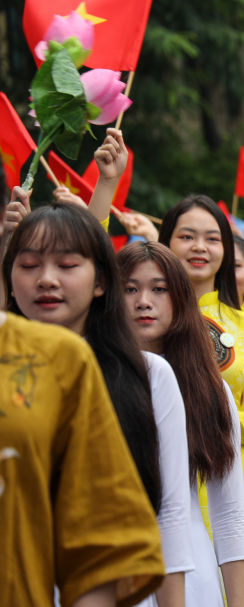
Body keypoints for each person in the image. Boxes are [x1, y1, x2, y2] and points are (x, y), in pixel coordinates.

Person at [4, 202, 190, 607]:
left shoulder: (150, 375)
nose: (46, 280)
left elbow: (172, 513)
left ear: (101, 281)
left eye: (67, 265)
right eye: (29, 264)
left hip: (120, 589)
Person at [159, 196, 244, 607]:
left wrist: (218, 418)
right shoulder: (138, 316)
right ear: (165, 242)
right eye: (187, 236)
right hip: (154, 473)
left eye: (212, 238)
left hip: (226, 483)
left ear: (227, 251)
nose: (200, 247)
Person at [117, 241, 244, 607]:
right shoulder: (87, 377)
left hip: (192, 575)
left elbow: (230, 513)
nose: (143, 301)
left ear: (180, 299)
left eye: (159, 289)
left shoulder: (210, 390)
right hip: (104, 569)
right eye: (129, 288)